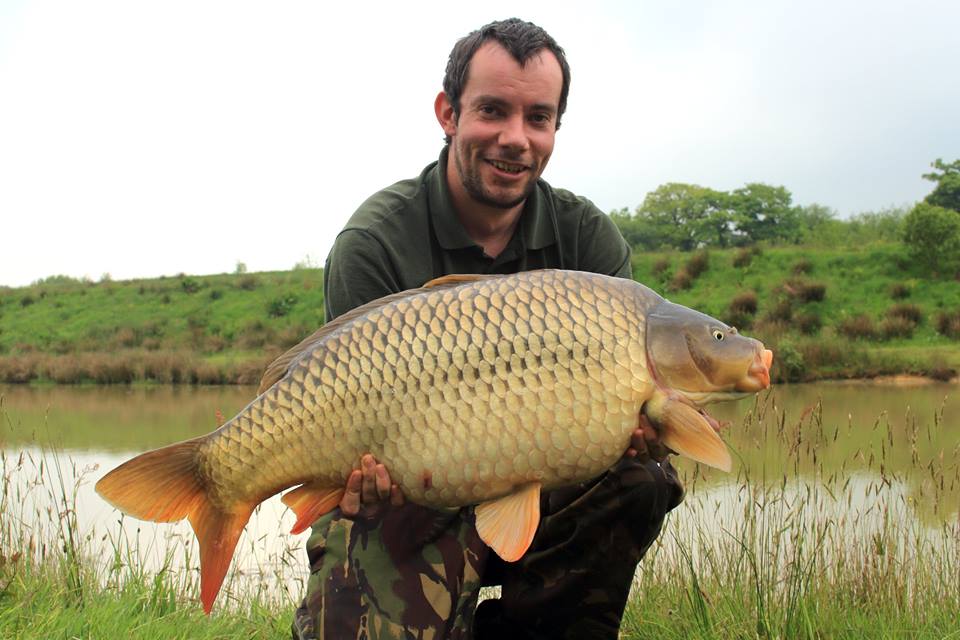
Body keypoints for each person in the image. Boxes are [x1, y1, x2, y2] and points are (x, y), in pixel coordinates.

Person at [290, 18, 684, 640]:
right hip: (411, 503)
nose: (515, 139)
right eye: (493, 111)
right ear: (448, 113)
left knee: (640, 481)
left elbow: (645, 423)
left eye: (538, 117)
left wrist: (644, 433)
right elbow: (343, 412)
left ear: (556, 127)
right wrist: (359, 483)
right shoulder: (374, 242)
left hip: (545, 496)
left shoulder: (588, 240)